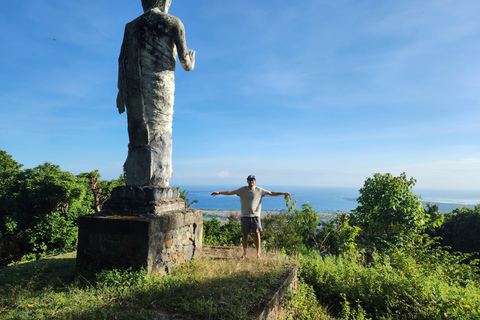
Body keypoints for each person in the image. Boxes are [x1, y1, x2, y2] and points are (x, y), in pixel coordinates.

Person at [117, 0, 195, 187]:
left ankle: (138, 178)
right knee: (161, 128)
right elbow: (185, 62)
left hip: (135, 89)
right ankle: (157, 179)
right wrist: (191, 62)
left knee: (138, 130)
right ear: (165, 2)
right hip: (161, 85)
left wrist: (121, 91)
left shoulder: (131, 26)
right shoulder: (172, 21)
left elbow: (122, 60)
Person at [211, 175, 291, 259]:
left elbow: (271, 193)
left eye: (252, 180)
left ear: (255, 181)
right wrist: (219, 192)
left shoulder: (259, 190)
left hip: (255, 216)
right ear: (247, 181)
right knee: (245, 235)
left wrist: (283, 193)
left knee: (257, 234)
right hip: (245, 215)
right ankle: (244, 254)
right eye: (249, 180)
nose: (251, 181)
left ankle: (258, 254)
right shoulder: (242, 190)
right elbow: (231, 192)